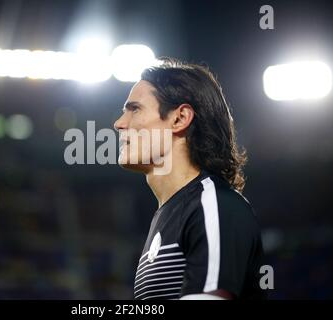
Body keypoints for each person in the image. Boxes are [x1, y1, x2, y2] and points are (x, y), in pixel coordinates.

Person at [113, 58, 266, 300]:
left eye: (135, 109)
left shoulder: (215, 205)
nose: (119, 124)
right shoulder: (169, 216)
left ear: (180, 118)